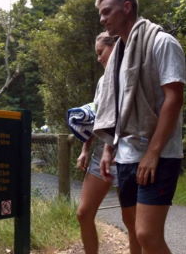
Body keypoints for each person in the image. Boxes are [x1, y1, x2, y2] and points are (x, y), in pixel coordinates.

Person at [93, 0, 186, 254]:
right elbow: (118, 107)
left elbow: (174, 99)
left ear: (127, 7)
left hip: (159, 154)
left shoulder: (161, 43)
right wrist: (109, 148)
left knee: (148, 235)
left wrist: (153, 153)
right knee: (133, 231)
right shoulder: (118, 56)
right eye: (101, 15)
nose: (102, 19)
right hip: (126, 155)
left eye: (107, 12)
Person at [68, 31, 119, 254]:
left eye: (101, 52)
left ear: (115, 46)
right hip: (100, 153)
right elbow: (97, 117)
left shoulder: (132, 75)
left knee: (133, 220)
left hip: (127, 154)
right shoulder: (102, 81)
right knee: (84, 213)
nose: (98, 58)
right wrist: (85, 149)